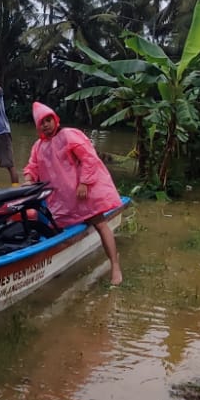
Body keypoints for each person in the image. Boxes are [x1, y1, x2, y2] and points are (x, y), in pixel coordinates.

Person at [22, 102, 124, 285]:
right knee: (55, 228)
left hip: (82, 194)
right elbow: (33, 166)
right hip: (61, 199)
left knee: (100, 224)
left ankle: (115, 266)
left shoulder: (69, 135)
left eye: (48, 120)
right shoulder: (38, 146)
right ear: (38, 126)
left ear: (55, 120)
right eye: (41, 122)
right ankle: (57, 265)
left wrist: (84, 183)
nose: (45, 124)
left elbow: (89, 158)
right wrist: (29, 179)